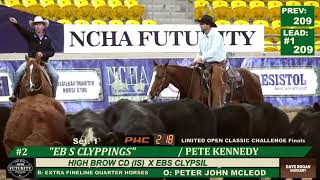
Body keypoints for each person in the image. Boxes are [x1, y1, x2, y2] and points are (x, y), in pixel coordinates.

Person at [8, 16, 59, 102]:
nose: (38, 26)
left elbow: (52, 52)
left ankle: (53, 97)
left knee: (55, 76)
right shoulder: (31, 36)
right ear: (34, 26)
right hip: (31, 61)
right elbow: (22, 31)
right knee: (18, 72)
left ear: (43, 26)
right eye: (36, 24)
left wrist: (43, 54)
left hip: (43, 62)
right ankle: (14, 93)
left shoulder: (48, 39)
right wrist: (16, 24)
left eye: (39, 24)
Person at [192, 15, 227, 107]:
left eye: (202, 24)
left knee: (215, 83)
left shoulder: (217, 36)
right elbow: (199, 51)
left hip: (217, 64)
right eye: (200, 23)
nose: (200, 25)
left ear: (208, 25)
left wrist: (202, 58)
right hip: (205, 64)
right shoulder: (202, 36)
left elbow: (213, 51)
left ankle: (217, 106)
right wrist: (197, 58)